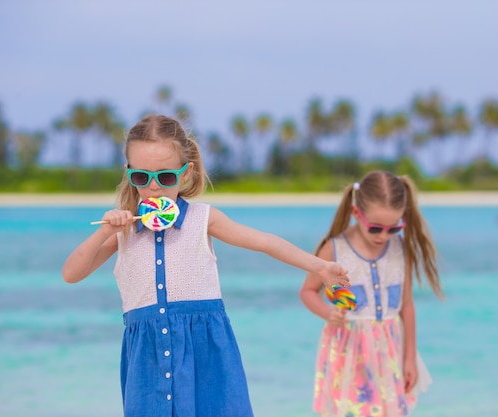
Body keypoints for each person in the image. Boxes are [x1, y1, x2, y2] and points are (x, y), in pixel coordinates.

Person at [62, 114, 350, 417]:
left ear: (185, 174)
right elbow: (71, 274)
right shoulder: (123, 231)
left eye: (166, 177)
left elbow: (264, 242)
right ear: (129, 173)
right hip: (147, 363)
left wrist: (320, 267)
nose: (154, 188)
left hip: (207, 356)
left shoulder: (203, 219)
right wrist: (105, 231)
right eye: (142, 178)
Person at [300, 171, 444, 417]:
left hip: (390, 350)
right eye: (376, 228)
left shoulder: (402, 249)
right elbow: (308, 292)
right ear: (357, 214)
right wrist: (328, 313)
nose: (383, 236)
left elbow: (406, 306)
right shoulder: (334, 248)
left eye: (393, 229)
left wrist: (410, 358)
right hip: (348, 350)